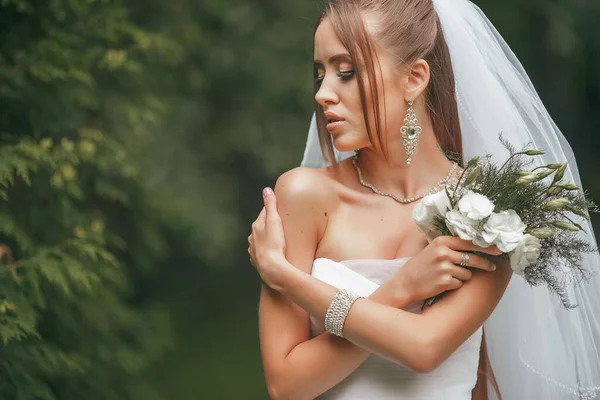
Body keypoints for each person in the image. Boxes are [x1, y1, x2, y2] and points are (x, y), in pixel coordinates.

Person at [248, 0, 600, 399]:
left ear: (414, 78)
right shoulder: (303, 196)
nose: (324, 93)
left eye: (346, 72)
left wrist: (287, 278)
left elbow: (424, 348)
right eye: (320, 74)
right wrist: (401, 289)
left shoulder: (488, 211)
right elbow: (286, 385)